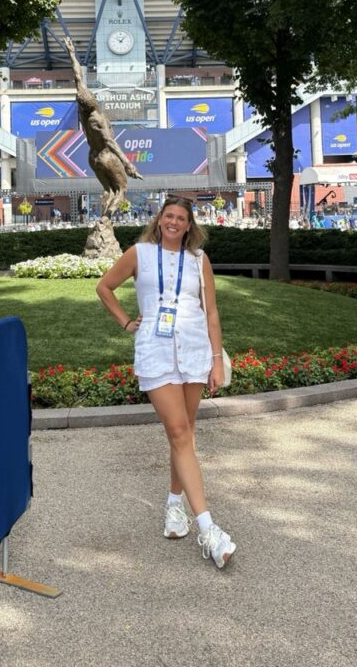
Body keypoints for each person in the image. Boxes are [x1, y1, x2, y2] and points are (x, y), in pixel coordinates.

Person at [96, 197, 235, 569]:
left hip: (193, 349)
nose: (174, 222)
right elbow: (104, 287)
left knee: (185, 433)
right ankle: (208, 528)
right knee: (178, 432)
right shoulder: (139, 252)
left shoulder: (198, 260)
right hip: (155, 350)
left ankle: (175, 505)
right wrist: (126, 322)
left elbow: (212, 311)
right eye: (168, 216)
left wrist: (216, 359)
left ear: (189, 226)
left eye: (181, 218)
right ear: (159, 220)